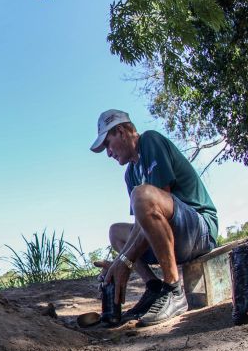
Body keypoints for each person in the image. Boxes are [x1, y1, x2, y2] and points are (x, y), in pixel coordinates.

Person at [91, 109, 218, 327]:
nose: (109, 154)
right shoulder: (130, 173)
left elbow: (155, 203)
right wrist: (119, 262)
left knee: (142, 195)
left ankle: (173, 289)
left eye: (108, 144)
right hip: (175, 236)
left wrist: (125, 260)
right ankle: (154, 288)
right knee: (116, 232)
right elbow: (143, 224)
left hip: (199, 229)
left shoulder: (150, 141)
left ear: (121, 131)